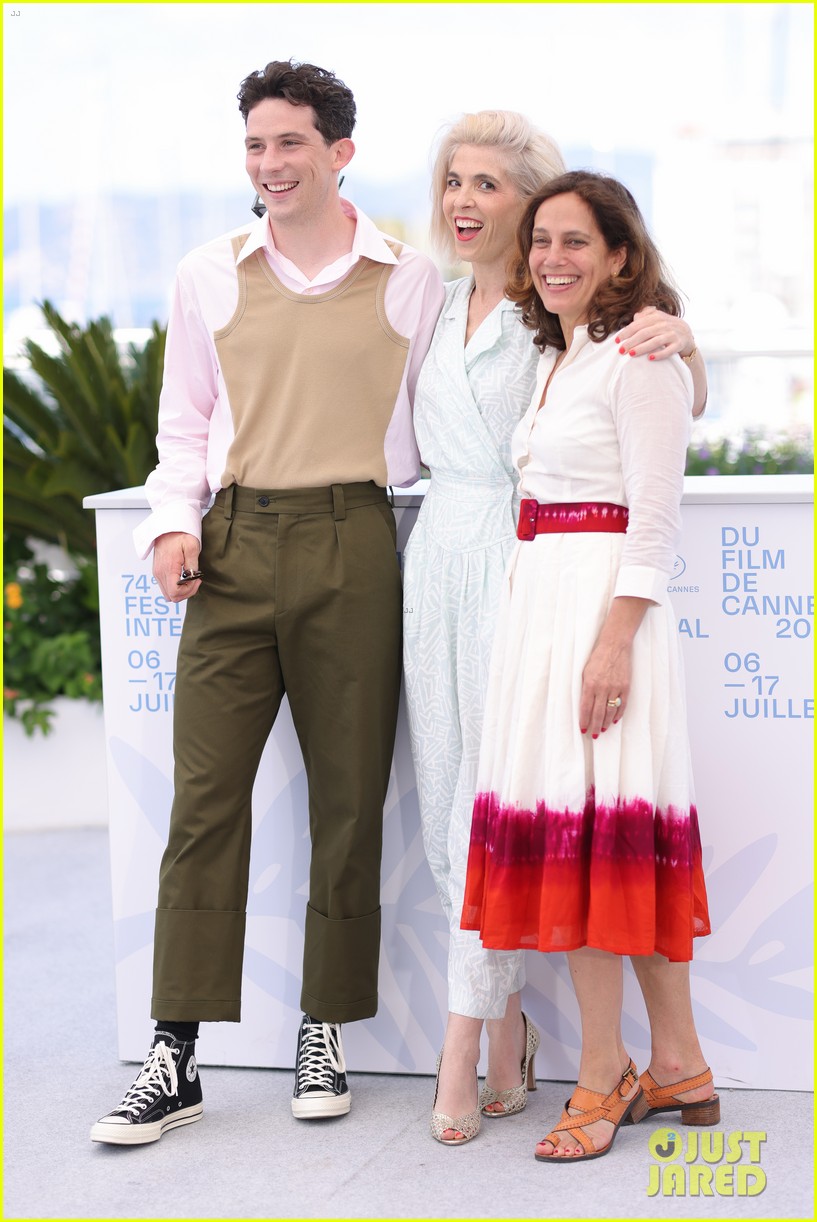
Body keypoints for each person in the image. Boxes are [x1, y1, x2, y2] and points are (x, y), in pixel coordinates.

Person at [90, 59, 444, 1145]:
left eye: (290, 142)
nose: (270, 164)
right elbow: (184, 424)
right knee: (204, 803)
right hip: (233, 547)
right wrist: (172, 524)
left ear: (340, 152)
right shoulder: (208, 272)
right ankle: (175, 1052)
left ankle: (322, 1028)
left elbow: (446, 416)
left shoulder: (411, 280)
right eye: (255, 144)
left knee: (348, 800)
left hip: (355, 539)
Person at [403, 113, 709, 1146]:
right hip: (539, 603)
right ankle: (679, 1064)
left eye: (575, 240)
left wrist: (612, 642)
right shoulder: (564, 352)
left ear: (621, 255)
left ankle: (601, 1073)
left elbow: (653, 516)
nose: (552, 256)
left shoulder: (633, 353)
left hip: (597, 617)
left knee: (595, 846)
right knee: (603, 841)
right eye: (543, 241)